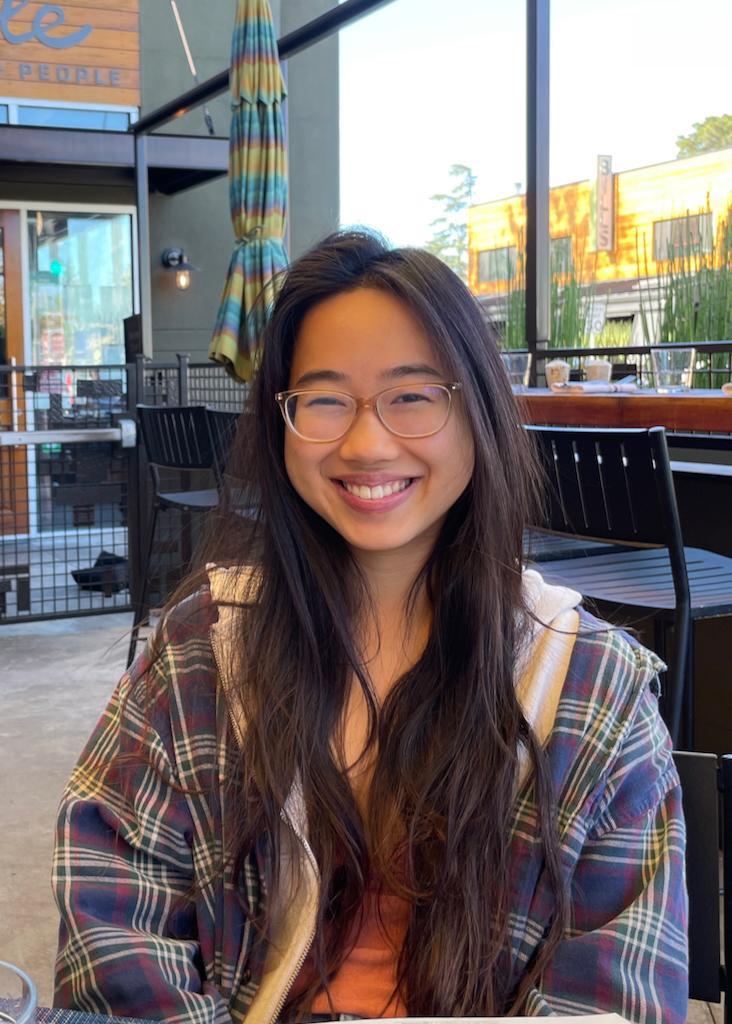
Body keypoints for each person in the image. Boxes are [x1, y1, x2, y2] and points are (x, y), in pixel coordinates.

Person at [53, 230, 687, 1024]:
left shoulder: (595, 691)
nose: (366, 441)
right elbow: (114, 928)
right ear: (281, 421)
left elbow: (617, 996)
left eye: (412, 395)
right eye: (323, 398)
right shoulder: (203, 651)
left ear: (476, 411)